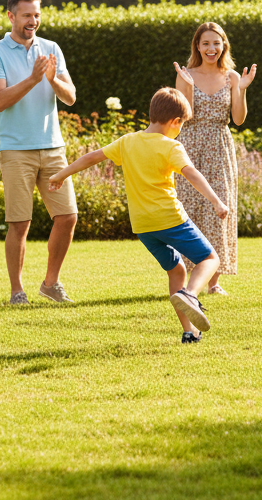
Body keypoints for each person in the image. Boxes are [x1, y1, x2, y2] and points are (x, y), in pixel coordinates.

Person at [48, 88, 228, 343]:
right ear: (175, 122)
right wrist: (216, 201)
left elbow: (92, 157)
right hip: (170, 219)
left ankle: (190, 332)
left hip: (143, 226)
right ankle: (191, 294)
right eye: (182, 125)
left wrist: (61, 174)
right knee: (210, 259)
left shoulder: (127, 141)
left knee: (176, 270)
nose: (181, 130)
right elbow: (192, 174)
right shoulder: (171, 146)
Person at [0, 0, 78, 305]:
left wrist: (51, 78)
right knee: (20, 223)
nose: (32, 21)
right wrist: (33, 80)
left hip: (52, 147)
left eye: (36, 15)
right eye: (26, 15)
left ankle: (51, 284)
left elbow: (70, 96)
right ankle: (17, 291)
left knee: (67, 216)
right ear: (11, 16)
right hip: (15, 150)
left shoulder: (51, 49)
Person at [172, 21, 256, 296]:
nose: (211, 48)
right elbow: (186, 118)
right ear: (197, 46)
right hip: (191, 145)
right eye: (206, 43)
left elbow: (238, 119)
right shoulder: (186, 75)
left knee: (218, 208)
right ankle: (186, 279)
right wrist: (186, 87)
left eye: (216, 43)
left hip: (220, 148)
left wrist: (241, 89)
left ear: (224, 46)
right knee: (190, 208)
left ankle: (214, 282)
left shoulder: (232, 77)